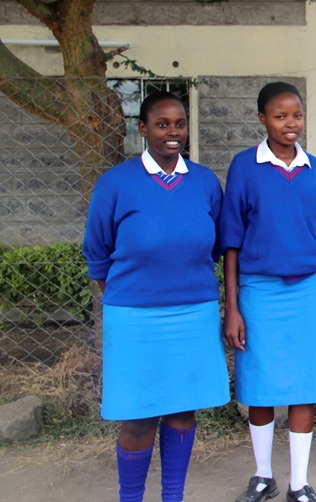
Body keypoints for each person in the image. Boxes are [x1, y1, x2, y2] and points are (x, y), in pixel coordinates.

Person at [83, 91, 229, 502]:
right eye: (162, 124)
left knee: (183, 410)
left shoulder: (204, 182)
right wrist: (128, 295)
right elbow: (97, 250)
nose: (173, 132)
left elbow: (215, 243)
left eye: (179, 124)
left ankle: (173, 496)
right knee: (138, 417)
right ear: (143, 129)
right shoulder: (116, 182)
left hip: (194, 313)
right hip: (134, 318)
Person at [220, 82, 316, 502]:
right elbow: (231, 242)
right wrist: (232, 307)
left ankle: (298, 483)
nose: (291, 124)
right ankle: (262, 475)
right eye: (280, 116)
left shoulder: (313, 168)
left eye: (297, 115)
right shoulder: (244, 167)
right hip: (260, 292)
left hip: (307, 290)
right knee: (260, 385)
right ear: (262, 119)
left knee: (306, 385)